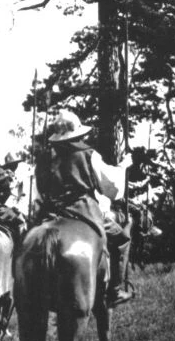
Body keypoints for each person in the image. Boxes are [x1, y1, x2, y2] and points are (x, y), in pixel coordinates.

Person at [35, 110, 134, 307]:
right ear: (77, 133)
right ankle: (116, 290)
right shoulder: (89, 155)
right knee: (122, 238)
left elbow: (40, 192)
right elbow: (112, 189)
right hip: (83, 210)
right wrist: (123, 166)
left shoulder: (44, 159)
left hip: (50, 213)